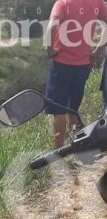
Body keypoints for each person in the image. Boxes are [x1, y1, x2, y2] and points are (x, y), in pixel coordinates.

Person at [45, 0, 107, 148]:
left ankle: (58, 149)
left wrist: (49, 48)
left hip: (61, 64)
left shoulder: (63, 3)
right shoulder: (97, 3)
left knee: (58, 109)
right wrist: (98, 49)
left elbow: (52, 25)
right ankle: (76, 144)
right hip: (83, 65)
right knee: (73, 107)